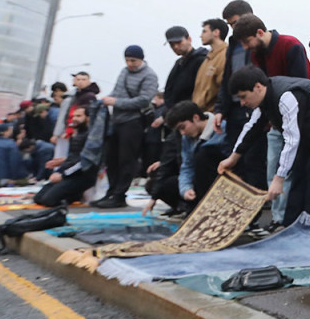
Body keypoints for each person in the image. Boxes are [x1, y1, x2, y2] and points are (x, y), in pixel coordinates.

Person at [218, 66, 310, 227]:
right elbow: (251, 127)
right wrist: (233, 158)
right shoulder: (265, 98)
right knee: (298, 173)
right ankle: (290, 225)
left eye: (243, 97)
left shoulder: (286, 96)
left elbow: (292, 139)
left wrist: (278, 178)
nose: (242, 103)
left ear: (257, 87)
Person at [233, 13, 310, 226]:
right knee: (274, 170)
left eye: (247, 42)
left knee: (291, 171)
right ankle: (278, 219)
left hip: (298, 118)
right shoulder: (256, 54)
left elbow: (300, 86)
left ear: (260, 33)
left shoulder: (291, 46)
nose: (247, 47)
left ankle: (291, 220)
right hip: (273, 119)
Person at [95, 46, 159, 208]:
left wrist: (116, 102)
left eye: (134, 61)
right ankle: (111, 191)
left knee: (126, 159)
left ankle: (119, 194)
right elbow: (116, 91)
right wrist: (108, 99)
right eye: (128, 60)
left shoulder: (149, 75)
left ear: (141, 60)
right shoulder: (124, 72)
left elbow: (144, 100)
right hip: (116, 120)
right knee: (112, 158)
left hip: (133, 122)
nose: (130, 64)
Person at [212, 1, 267, 189]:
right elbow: (227, 78)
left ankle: (257, 199)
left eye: (234, 23)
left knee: (254, 156)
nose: (232, 28)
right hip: (234, 108)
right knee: (233, 155)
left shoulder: (258, 41)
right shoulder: (233, 45)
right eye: (229, 25)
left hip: (255, 106)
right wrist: (220, 109)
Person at [150, 100, 227, 215]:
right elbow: (187, 166)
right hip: (200, 182)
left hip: (222, 180)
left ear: (195, 118)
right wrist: (186, 189)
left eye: (183, 127)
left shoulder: (222, 128)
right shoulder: (187, 138)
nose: (182, 133)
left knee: (203, 155)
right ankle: (187, 206)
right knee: (161, 184)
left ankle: (207, 208)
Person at [35, 101, 107, 207]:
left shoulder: (92, 137)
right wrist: (60, 166)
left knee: (48, 201)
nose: (74, 119)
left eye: (78, 116)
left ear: (88, 117)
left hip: (81, 176)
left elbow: (85, 161)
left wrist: (62, 174)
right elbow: (73, 157)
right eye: (73, 116)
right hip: (70, 173)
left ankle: (75, 195)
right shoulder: (77, 134)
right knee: (38, 198)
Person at [162, 26, 208, 107]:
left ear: (189, 39)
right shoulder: (178, 63)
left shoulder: (200, 60)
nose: (175, 47)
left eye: (179, 42)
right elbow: (169, 91)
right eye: (172, 44)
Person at [194, 18, 229, 112]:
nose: (200, 35)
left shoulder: (225, 55)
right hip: (200, 113)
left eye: (204, 31)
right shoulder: (207, 59)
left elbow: (223, 87)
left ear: (216, 32)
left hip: (213, 114)